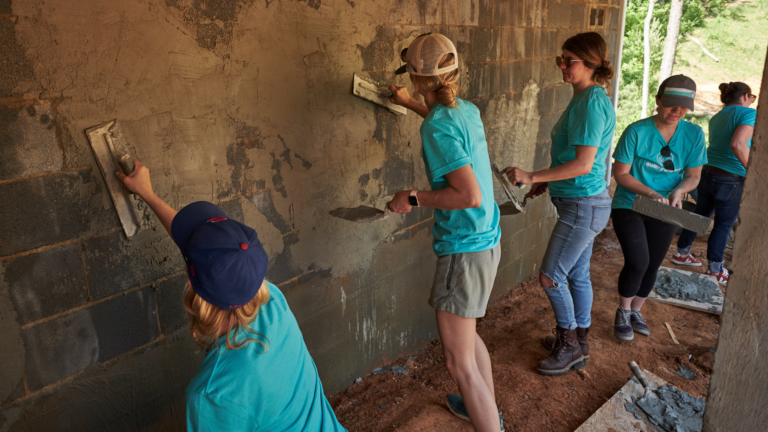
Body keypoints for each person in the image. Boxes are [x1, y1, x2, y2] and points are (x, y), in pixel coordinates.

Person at [116, 161, 347, 432]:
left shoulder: (213, 395)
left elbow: (205, 259)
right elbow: (208, 260)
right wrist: (148, 195)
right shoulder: (274, 303)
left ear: (193, 283)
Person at [388, 33, 503, 432]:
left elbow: (468, 195)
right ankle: (482, 408)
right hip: (486, 240)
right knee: (468, 341)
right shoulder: (464, 110)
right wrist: (408, 104)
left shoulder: (437, 126)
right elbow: (444, 126)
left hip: (463, 250)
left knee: (458, 361)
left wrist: (413, 198)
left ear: (415, 76)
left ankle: (489, 422)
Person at [506, 32, 615, 376]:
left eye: (570, 61)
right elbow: (576, 160)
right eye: (561, 59)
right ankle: (579, 341)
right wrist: (547, 182)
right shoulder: (585, 98)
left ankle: (568, 344)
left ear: (592, 63)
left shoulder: (591, 102)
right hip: (581, 201)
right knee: (577, 274)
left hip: (584, 203)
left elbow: (584, 164)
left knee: (551, 277)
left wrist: (534, 176)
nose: (563, 66)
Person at [611, 74, 706, 341]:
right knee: (638, 261)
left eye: (683, 108)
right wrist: (651, 192)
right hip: (630, 202)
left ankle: (635, 312)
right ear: (658, 100)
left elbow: (693, 176)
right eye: (670, 105)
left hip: (666, 207)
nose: (676, 112)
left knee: (653, 263)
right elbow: (621, 174)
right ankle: (623, 309)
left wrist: (679, 191)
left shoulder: (694, 134)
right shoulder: (637, 131)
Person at [672, 82, 757, 285]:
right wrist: (752, 173)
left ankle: (681, 253)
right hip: (731, 178)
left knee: (699, 215)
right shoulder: (748, 114)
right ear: (745, 96)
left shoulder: (719, 115)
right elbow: (737, 144)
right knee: (723, 226)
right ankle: (715, 270)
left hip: (707, 172)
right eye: (752, 97)